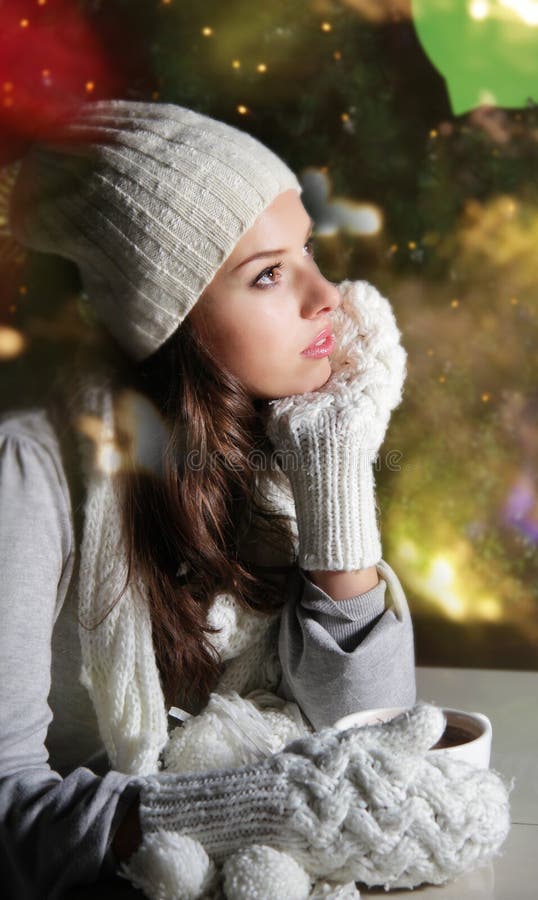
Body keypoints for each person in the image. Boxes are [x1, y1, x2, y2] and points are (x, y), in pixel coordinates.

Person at [0, 100, 509, 900]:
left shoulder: (268, 434)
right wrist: (264, 810)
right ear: (164, 325)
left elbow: (365, 732)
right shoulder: (25, 469)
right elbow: (7, 812)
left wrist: (337, 463)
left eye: (308, 251)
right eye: (269, 274)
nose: (328, 296)